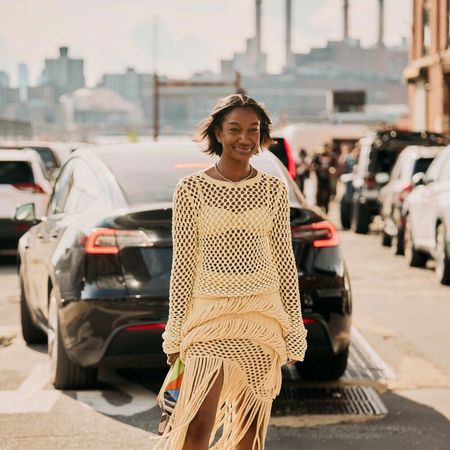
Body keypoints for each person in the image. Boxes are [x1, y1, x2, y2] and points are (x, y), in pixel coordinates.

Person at [155, 94, 308, 450]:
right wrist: (175, 334)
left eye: (253, 130)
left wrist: (295, 329)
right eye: (235, 129)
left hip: (261, 319)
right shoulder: (191, 190)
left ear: (262, 135)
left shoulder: (273, 189)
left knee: (249, 432)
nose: (245, 138)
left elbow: (285, 264)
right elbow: (183, 267)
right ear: (219, 134)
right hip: (209, 320)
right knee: (197, 426)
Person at [312, 143, 337, 213]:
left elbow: (335, 166)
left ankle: (326, 207)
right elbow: (313, 165)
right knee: (319, 191)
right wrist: (319, 168)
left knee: (328, 192)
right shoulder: (318, 156)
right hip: (320, 177)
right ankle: (319, 206)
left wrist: (332, 169)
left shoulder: (332, 156)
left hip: (328, 177)